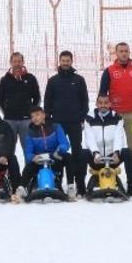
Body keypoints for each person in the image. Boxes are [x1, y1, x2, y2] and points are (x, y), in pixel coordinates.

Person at [43, 50, 89, 196]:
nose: (65, 63)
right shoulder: (53, 81)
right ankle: (58, 182)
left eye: (68, 60)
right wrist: (49, 119)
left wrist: (81, 117)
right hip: (58, 123)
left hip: (74, 122)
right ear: (59, 61)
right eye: (63, 60)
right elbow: (47, 101)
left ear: (71, 61)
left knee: (77, 152)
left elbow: (85, 101)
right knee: (59, 153)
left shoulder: (79, 80)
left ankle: (80, 185)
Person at [99, 41, 132, 160]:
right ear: (116, 53)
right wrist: (105, 111)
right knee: (111, 147)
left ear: (129, 52)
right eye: (121, 51)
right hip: (114, 114)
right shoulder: (109, 71)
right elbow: (102, 93)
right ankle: (110, 176)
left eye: (126, 51)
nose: (124, 54)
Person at [83, 93, 132, 196]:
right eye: (100, 103)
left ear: (110, 104)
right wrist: (96, 153)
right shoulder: (89, 119)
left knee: (127, 152)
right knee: (82, 153)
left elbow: (118, 137)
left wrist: (116, 153)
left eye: (106, 103)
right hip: (96, 159)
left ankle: (131, 188)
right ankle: (81, 189)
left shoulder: (117, 118)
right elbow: (90, 138)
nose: (103, 105)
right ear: (97, 104)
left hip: (112, 158)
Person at [19, 105, 71, 198]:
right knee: (29, 166)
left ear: (43, 115)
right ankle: (21, 189)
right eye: (32, 116)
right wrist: (32, 157)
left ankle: (70, 186)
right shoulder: (30, 132)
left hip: (55, 156)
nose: (35, 118)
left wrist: (58, 151)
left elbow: (65, 143)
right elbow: (28, 152)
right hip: (39, 158)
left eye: (37, 115)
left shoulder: (56, 126)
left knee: (68, 157)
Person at [0, 51, 41, 152]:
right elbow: (0, 99)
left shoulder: (31, 78)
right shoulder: (4, 79)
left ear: (23, 62)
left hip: (26, 120)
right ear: (11, 63)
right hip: (9, 120)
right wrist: (7, 111)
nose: (17, 64)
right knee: (8, 150)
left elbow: (37, 97)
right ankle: (10, 168)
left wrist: (31, 112)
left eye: (19, 61)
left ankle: (29, 168)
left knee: (28, 149)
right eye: (14, 61)